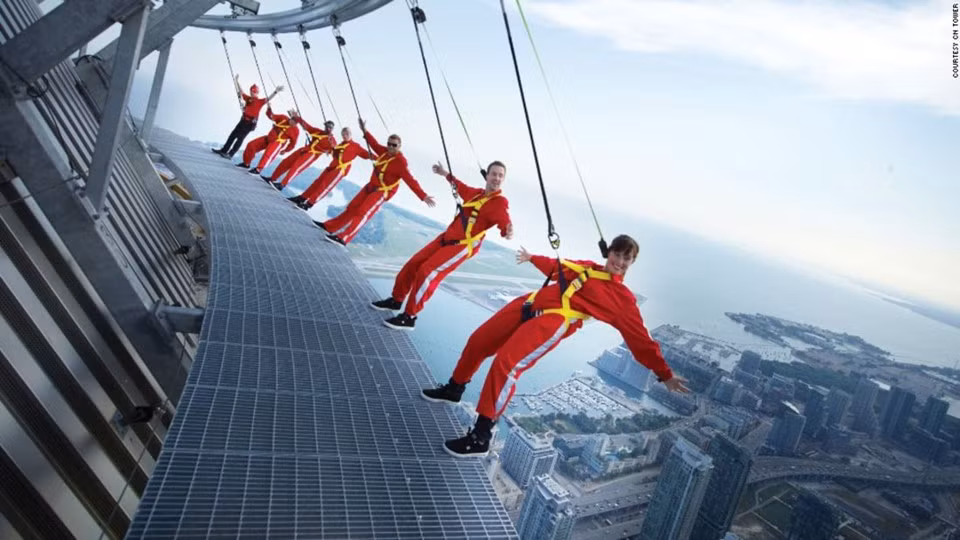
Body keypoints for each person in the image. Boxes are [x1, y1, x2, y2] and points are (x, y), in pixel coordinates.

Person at [420, 234, 690, 457]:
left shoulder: (622, 299)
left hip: (554, 320)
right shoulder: (587, 268)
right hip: (529, 304)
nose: (620, 261)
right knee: (479, 341)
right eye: (617, 254)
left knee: (506, 364)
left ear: (632, 263)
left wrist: (664, 373)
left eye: (626, 258)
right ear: (609, 253)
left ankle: (481, 435)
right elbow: (558, 267)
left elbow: (640, 338)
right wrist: (533, 258)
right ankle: (455, 388)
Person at [372, 161, 513, 331]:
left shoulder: (500, 203)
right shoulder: (476, 193)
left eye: (500, 175)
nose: (496, 178)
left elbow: (504, 223)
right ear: (487, 175)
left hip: (462, 246)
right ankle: (396, 300)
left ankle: (409, 316)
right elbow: (459, 185)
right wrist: (444, 173)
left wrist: (508, 231)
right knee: (413, 264)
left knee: (427, 272)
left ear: (503, 179)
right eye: (494, 174)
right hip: (447, 237)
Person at [318, 119, 436, 247]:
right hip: (371, 186)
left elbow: (410, 180)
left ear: (399, 146)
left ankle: (344, 238)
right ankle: (329, 227)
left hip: (382, 191)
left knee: (362, 212)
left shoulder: (401, 162)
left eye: (394, 145)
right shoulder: (385, 152)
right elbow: (373, 144)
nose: (390, 147)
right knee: (352, 207)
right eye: (389, 144)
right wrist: (364, 130)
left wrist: (423, 196)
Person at [288, 127, 371, 211]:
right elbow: (335, 156)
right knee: (317, 183)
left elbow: (366, 154)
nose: (345, 136)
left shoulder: (355, 146)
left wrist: (376, 157)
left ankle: (309, 204)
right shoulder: (341, 145)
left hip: (340, 170)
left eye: (347, 134)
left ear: (350, 134)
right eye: (343, 134)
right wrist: (332, 150)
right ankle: (302, 197)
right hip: (331, 167)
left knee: (325, 187)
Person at [213, 75, 283, 158]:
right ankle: (224, 150)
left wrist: (276, 91)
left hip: (249, 123)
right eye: (251, 91)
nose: (252, 93)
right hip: (243, 120)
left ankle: (230, 154)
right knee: (232, 135)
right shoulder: (248, 98)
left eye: (253, 92)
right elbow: (241, 91)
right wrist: (237, 81)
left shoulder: (260, 101)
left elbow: (268, 98)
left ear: (257, 93)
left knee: (240, 138)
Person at [264, 117, 336, 190]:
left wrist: (331, 146)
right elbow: (308, 127)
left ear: (332, 129)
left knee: (295, 168)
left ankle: (283, 184)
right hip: (303, 150)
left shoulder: (332, 140)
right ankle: (273, 178)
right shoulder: (318, 132)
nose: (328, 128)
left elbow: (334, 152)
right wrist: (299, 119)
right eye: (327, 126)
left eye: (330, 127)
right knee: (286, 162)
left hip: (311, 155)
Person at [236, 107, 300, 175]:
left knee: (267, 155)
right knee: (251, 145)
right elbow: (272, 116)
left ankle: (258, 169)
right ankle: (246, 163)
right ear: (291, 118)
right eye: (293, 121)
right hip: (269, 138)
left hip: (277, 142)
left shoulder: (295, 130)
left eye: (295, 123)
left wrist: (286, 150)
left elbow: (293, 143)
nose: (293, 124)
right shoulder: (283, 118)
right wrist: (269, 111)